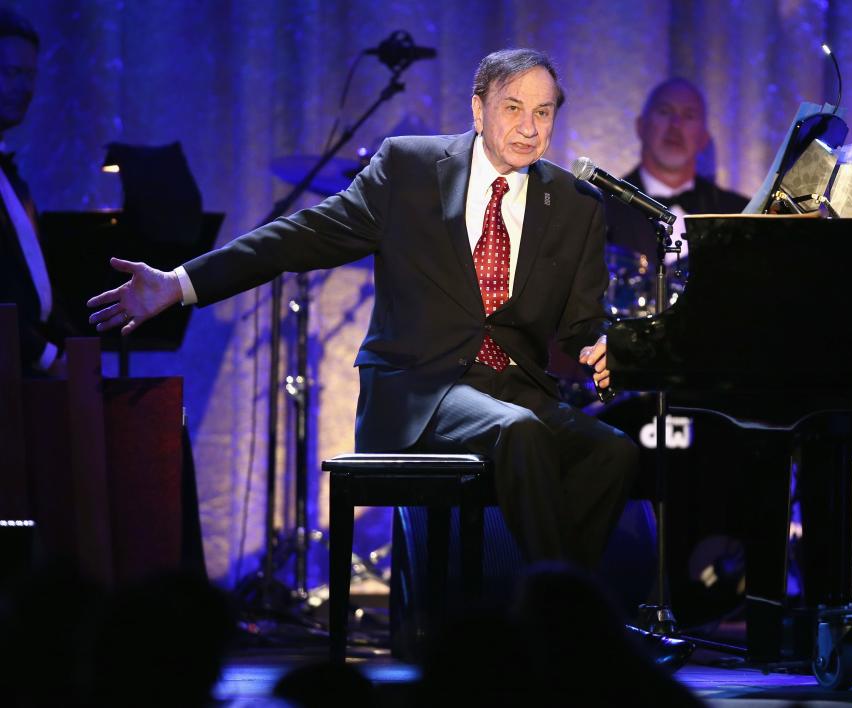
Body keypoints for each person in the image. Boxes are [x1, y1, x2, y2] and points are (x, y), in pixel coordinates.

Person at [89, 46, 692, 670]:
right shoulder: (409, 167)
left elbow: (579, 326)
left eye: (544, 112)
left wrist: (600, 346)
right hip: (420, 389)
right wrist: (181, 282)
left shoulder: (573, 203)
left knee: (612, 450)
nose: (530, 127)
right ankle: (562, 633)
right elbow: (301, 234)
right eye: (513, 108)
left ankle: (538, 620)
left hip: (516, 388)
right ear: (478, 108)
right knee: (521, 436)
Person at [0, 8, 72, 374]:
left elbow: (36, 291)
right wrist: (47, 357)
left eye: (30, 76)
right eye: (12, 74)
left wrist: (72, 349)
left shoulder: (12, 177)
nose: (25, 89)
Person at [605, 77, 748, 260]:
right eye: (664, 112)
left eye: (689, 116)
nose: (675, 124)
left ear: (703, 137)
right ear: (641, 126)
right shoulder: (601, 210)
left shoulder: (738, 214)